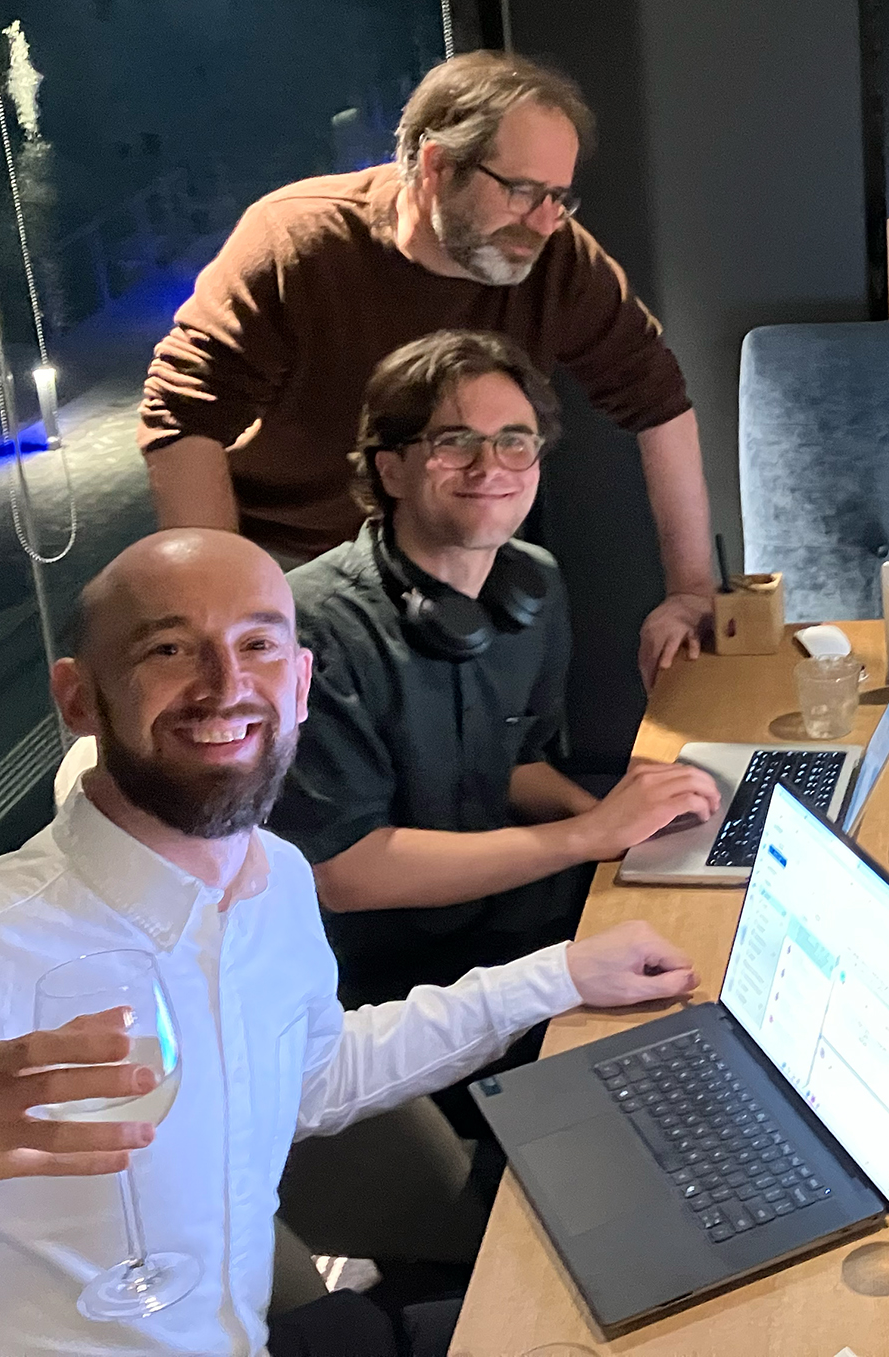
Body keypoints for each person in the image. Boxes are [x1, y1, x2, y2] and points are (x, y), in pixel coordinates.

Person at [0, 529, 701, 1354]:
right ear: (79, 697)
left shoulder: (273, 879)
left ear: (301, 683)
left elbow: (316, 1078)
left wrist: (556, 976)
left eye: (258, 644)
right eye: (167, 648)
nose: (225, 683)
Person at [139, 51, 715, 686]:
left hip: (444, 564)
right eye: (523, 192)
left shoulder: (560, 260)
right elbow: (180, 414)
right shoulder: (298, 242)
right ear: (438, 165)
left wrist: (691, 589)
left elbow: (660, 402)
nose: (544, 224)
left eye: (559, 198)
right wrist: (231, 616)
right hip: (290, 562)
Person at [269, 329, 718, 1018]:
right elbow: (347, 873)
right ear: (390, 469)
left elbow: (513, 763)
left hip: (515, 922)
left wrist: (618, 823)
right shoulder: (311, 627)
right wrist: (584, 837)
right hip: (388, 986)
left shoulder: (531, 584)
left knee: (717, 955)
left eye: (515, 439)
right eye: (454, 442)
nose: (491, 465)